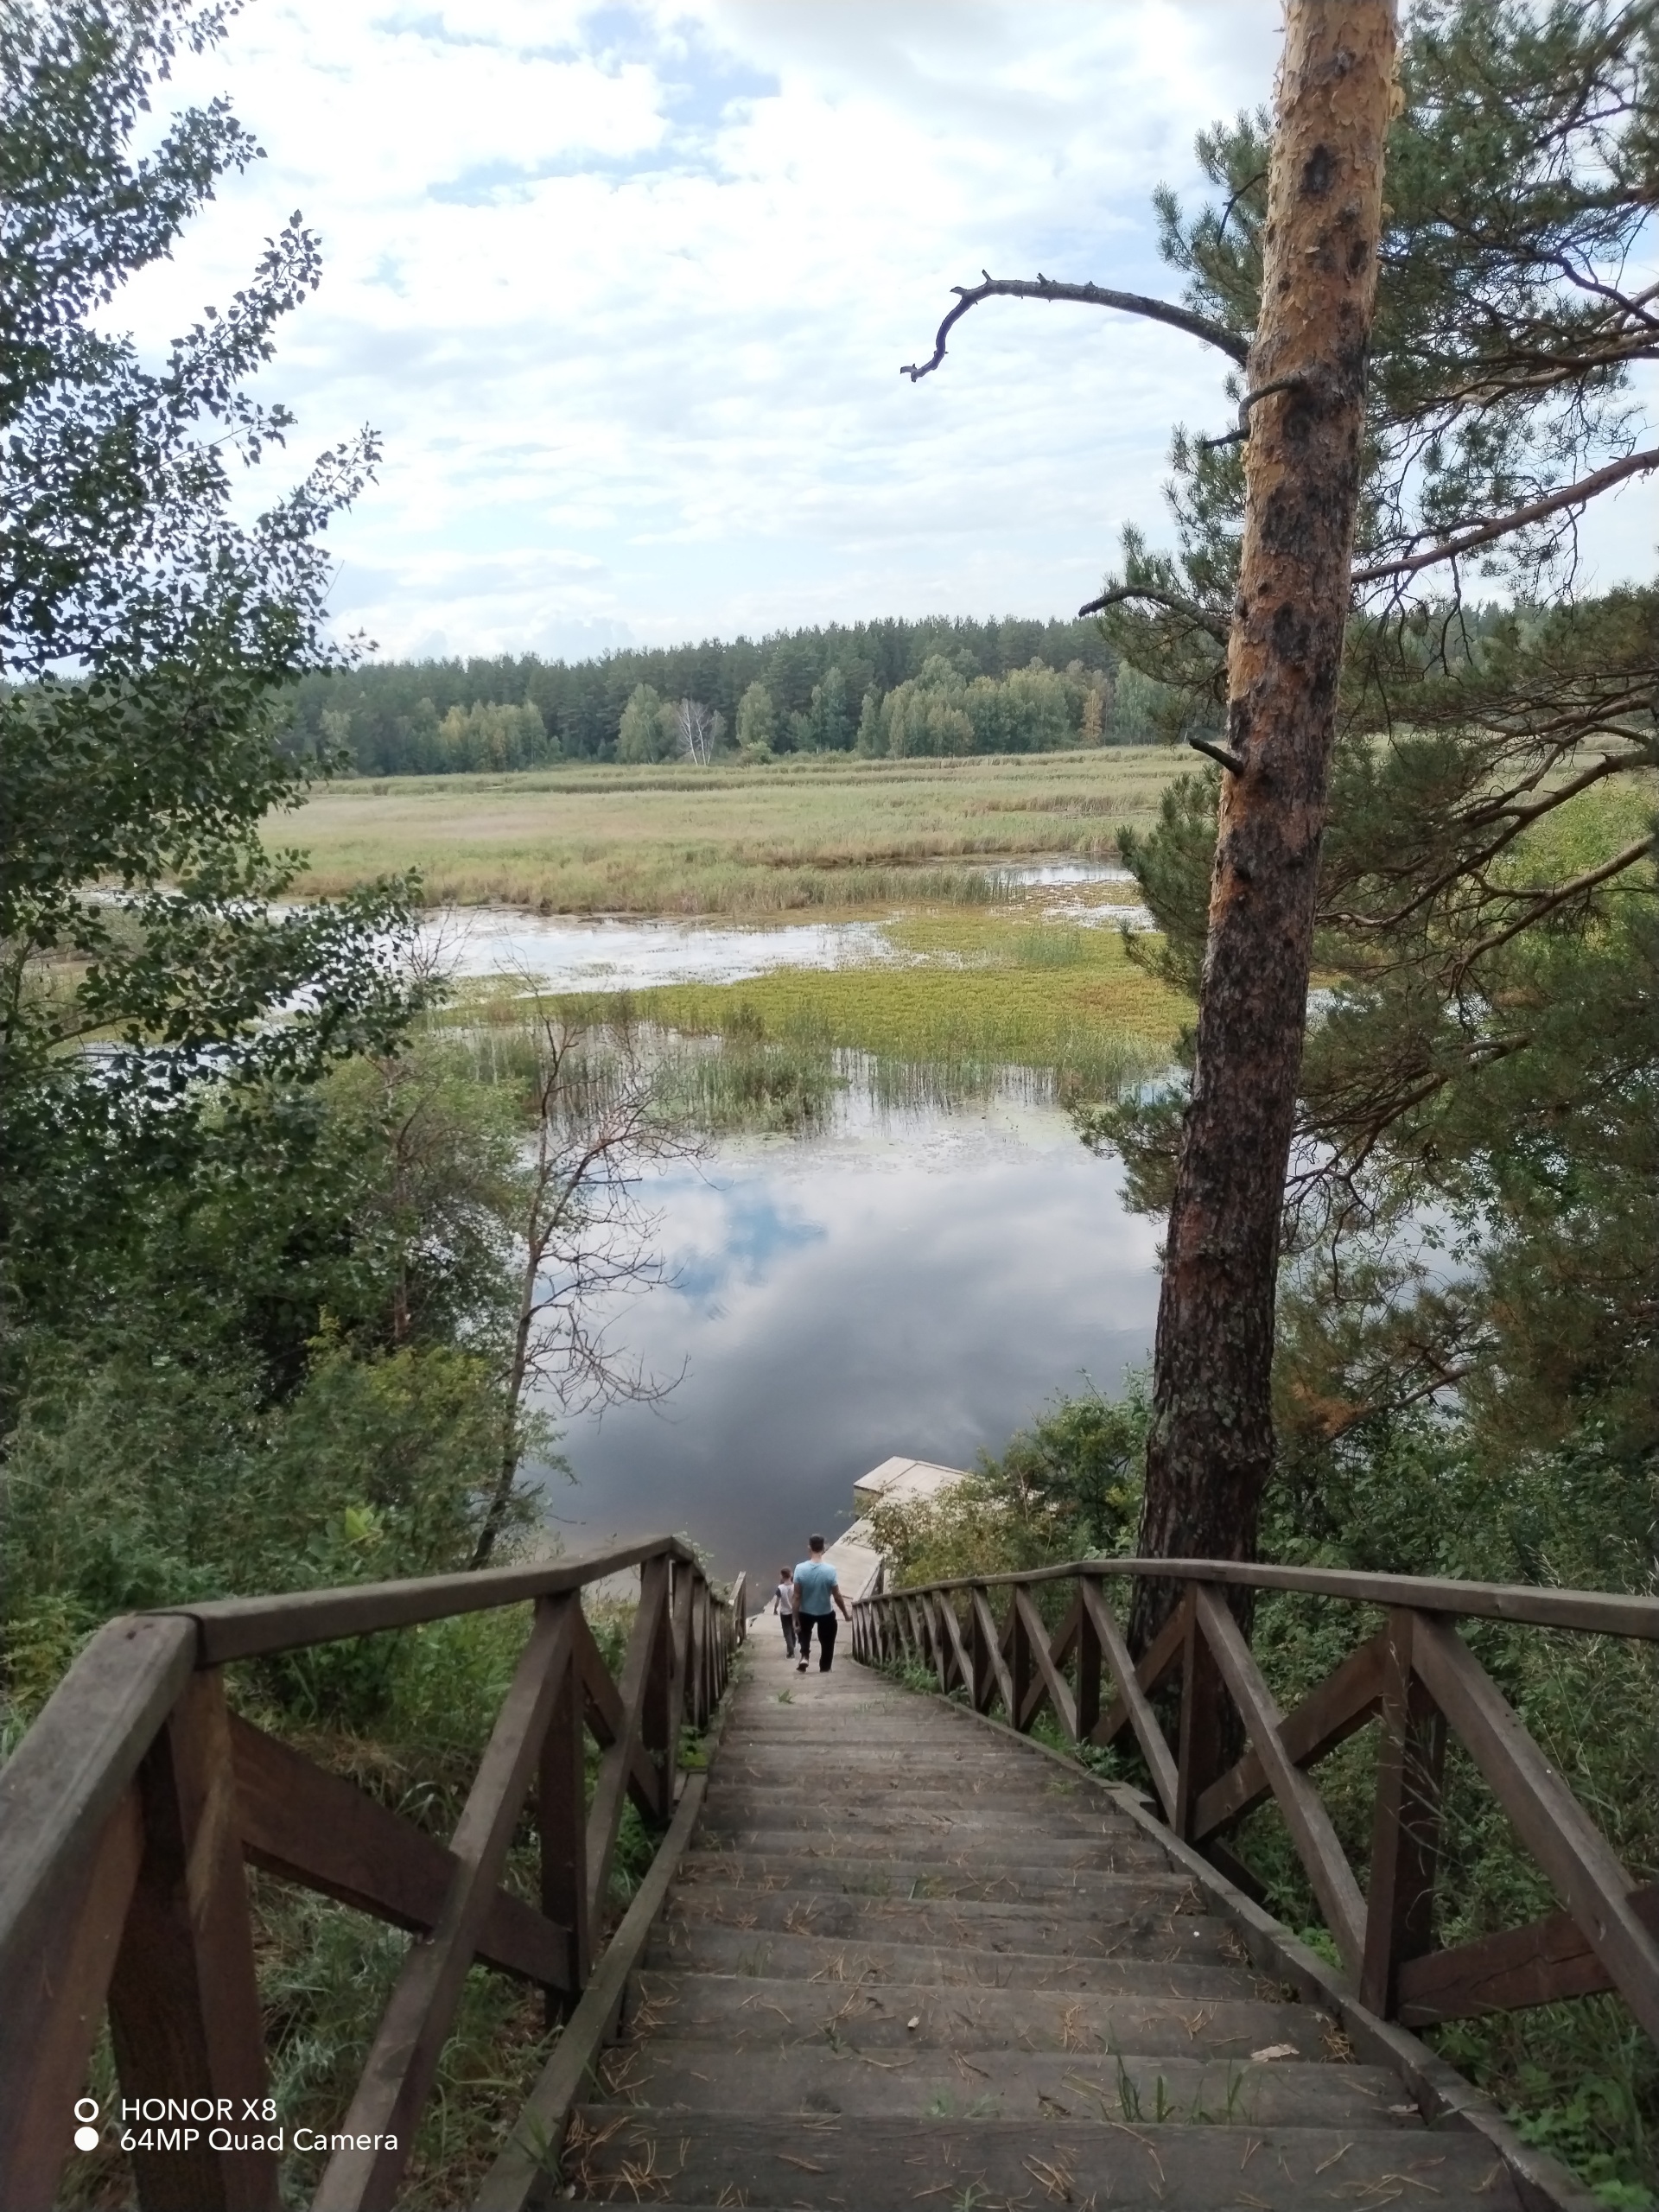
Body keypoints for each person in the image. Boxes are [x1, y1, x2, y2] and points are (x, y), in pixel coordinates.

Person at [791, 1535, 850, 1674]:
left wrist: (795, 1618)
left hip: (805, 1611)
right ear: (824, 1548)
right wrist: (846, 1614)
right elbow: (837, 1595)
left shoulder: (800, 1569)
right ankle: (825, 1667)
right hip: (825, 1612)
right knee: (828, 1641)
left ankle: (805, 1655)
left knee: (803, 1631)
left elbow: (797, 1596)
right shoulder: (830, 1570)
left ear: (809, 1548)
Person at [772, 1567, 798, 1659]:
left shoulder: (780, 1588)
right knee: (792, 1629)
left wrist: (775, 1609)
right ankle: (793, 1644)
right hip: (793, 1612)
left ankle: (791, 1651)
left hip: (784, 1613)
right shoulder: (795, 1586)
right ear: (791, 1575)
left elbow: (777, 1601)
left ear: (782, 1576)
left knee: (787, 1632)